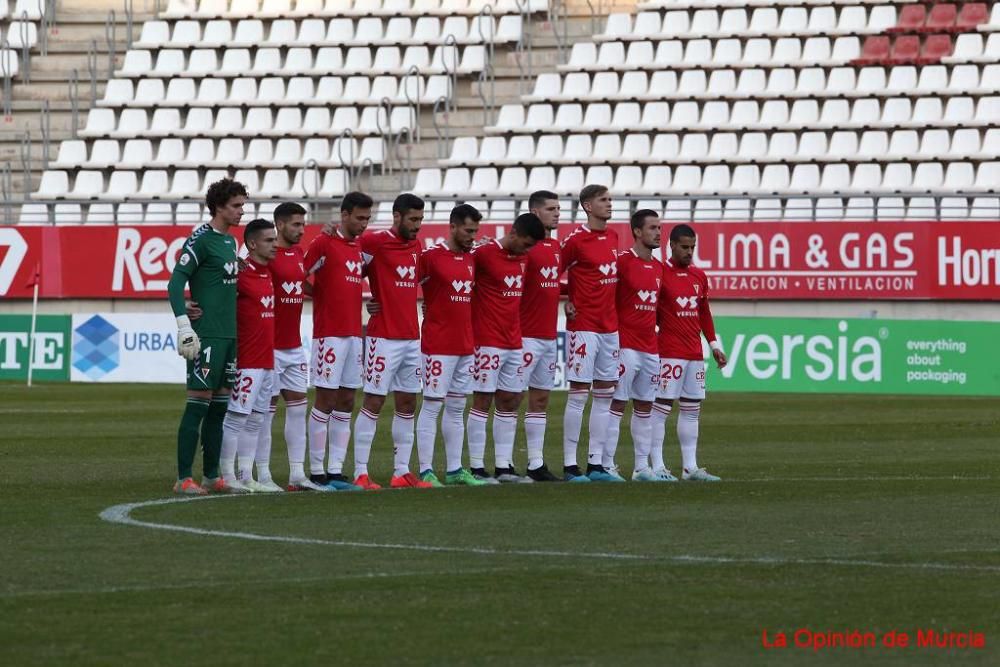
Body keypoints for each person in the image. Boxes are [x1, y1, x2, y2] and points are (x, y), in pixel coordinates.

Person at [167, 178, 246, 495]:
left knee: (220, 408)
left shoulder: (230, 243)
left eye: (242, 205)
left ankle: (211, 475)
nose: (241, 211)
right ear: (218, 207)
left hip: (229, 336)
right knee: (198, 405)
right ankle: (184, 478)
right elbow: (175, 283)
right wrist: (184, 324)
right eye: (236, 206)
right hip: (208, 337)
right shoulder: (200, 240)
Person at [354, 193, 431, 489]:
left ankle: (401, 471)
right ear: (397, 216)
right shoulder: (373, 242)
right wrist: (366, 302)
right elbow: (348, 271)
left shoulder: (416, 245)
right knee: (374, 400)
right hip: (382, 337)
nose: (417, 225)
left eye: (421, 220)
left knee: (408, 402)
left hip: (412, 336)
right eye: (413, 219)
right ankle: (361, 471)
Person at [467, 213, 547, 483]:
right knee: (482, 400)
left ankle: (504, 466)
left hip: (515, 340)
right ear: (513, 234)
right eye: (526, 244)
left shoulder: (523, 257)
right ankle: (476, 466)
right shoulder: (484, 254)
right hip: (486, 341)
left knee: (511, 400)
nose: (528, 250)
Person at [303, 192, 374, 491]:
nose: (364, 224)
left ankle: (335, 470)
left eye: (367, 219)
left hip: (353, 334)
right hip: (329, 334)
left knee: (346, 400)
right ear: (344, 215)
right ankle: (317, 470)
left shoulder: (360, 247)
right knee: (326, 400)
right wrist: (317, 294)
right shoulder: (323, 242)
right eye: (359, 218)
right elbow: (299, 274)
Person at [413, 204, 488, 487]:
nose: (472, 236)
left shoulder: (472, 259)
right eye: (468, 230)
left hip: (465, 345)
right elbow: (405, 286)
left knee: (457, 408)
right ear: (453, 227)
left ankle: (455, 469)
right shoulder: (430, 258)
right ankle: (425, 471)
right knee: (432, 406)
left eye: (475, 231)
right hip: (437, 345)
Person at [654, 223, 728, 482]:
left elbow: (703, 313)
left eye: (692, 247)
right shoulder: (660, 272)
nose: (689, 252)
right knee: (662, 406)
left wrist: (714, 345)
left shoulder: (699, 275)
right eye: (684, 247)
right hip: (668, 352)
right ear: (671, 245)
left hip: (694, 353)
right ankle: (657, 466)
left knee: (691, 409)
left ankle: (690, 468)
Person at [262, 202, 325, 492]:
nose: (302, 230)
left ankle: (297, 474)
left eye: (303, 224)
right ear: (279, 225)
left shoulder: (299, 254)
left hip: (294, 346)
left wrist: (331, 294)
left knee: (298, 409)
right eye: (296, 225)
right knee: (266, 411)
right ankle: (261, 474)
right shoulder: (265, 255)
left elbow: (301, 285)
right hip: (268, 347)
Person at [560, 184, 621, 483]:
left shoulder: (613, 236)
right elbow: (548, 274)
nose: (609, 204)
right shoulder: (574, 241)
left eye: (610, 199)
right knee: (578, 394)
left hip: (610, 327)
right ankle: (571, 465)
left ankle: (596, 464)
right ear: (587, 206)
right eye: (603, 200)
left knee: (605, 394)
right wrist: (566, 299)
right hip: (583, 327)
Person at [218, 219, 281, 492]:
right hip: (247, 361)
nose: (275, 245)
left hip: (267, 360)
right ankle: (227, 476)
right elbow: (217, 301)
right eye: (269, 240)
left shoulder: (267, 273)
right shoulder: (239, 275)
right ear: (252, 244)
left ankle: (246, 475)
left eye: (275, 239)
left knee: (256, 419)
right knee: (236, 419)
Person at [605, 210, 664, 482]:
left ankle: (641, 468)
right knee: (616, 404)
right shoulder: (622, 262)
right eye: (652, 228)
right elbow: (604, 298)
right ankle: (606, 464)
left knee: (645, 407)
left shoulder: (659, 267)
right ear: (637, 232)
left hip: (650, 348)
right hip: (625, 346)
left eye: (659, 227)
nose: (658, 232)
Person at [513, 191, 563, 482]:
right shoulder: (524, 248)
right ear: (534, 212)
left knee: (540, 400)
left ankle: (535, 463)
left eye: (558, 208)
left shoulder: (556, 247)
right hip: (524, 336)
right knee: (510, 399)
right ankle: (502, 463)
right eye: (550, 209)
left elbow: (553, 285)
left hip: (548, 335)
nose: (557, 213)